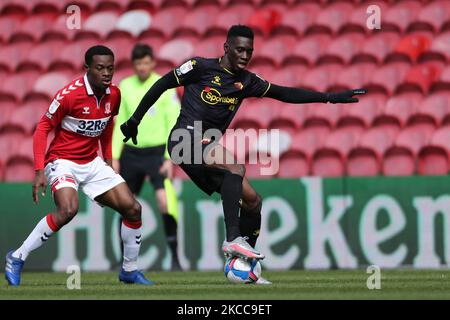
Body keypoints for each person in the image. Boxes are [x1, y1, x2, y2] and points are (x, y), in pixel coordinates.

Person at [120, 25, 366, 284]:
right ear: (226, 48)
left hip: (203, 147)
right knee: (235, 168)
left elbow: (284, 93)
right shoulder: (199, 67)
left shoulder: (247, 81)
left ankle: (244, 265)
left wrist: (329, 98)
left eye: (249, 50)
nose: (245, 55)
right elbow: (162, 83)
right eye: (239, 49)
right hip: (183, 139)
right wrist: (135, 119)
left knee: (252, 201)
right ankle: (232, 240)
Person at [5, 45, 154, 286]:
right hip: (62, 161)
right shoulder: (69, 95)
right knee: (68, 210)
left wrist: (107, 160)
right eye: (100, 68)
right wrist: (39, 169)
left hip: (92, 162)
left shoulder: (114, 95)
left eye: (110, 68)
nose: (106, 73)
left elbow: (107, 127)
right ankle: (17, 257)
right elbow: (42, 128)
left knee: (133, 208)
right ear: (87, 69)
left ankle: (129, 270)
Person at [112, 44, 182, 271]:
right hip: (131, 154)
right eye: (138, 63)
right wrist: (114, 156)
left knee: (165, 202)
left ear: (152, 63)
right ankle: (124, 262)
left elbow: (173, 121)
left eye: (146, 62)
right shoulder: (125, 86)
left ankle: (175, 258)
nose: (142, 67)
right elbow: (119, 123)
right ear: (134, 65)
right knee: (125, 206)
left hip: (157, 153)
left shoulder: (165, 85)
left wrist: (170, 156)